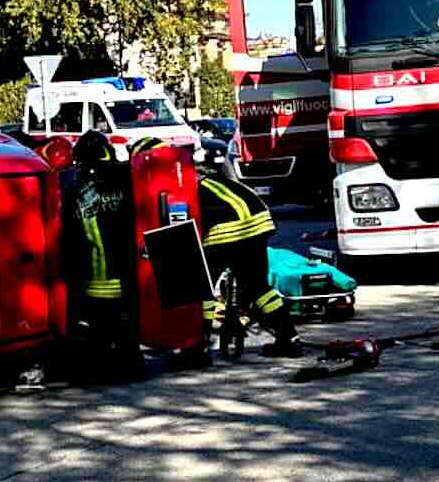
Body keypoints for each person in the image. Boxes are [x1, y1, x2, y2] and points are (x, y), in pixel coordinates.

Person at [129, 136, 302, 358]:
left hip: (227, 229)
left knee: (199, 288)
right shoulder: (198, 172)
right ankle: (289, 339)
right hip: (258, 222)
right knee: (258, 287)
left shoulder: (175, 182)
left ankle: (196, 345)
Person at [64, 130, 141, 381]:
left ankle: (103, 365)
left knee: (100, 326)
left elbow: (68, 232)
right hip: (129, 270)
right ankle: (129, 361)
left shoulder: (77, 188)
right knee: (125, 322)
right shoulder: (126, 178)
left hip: (96, 273)